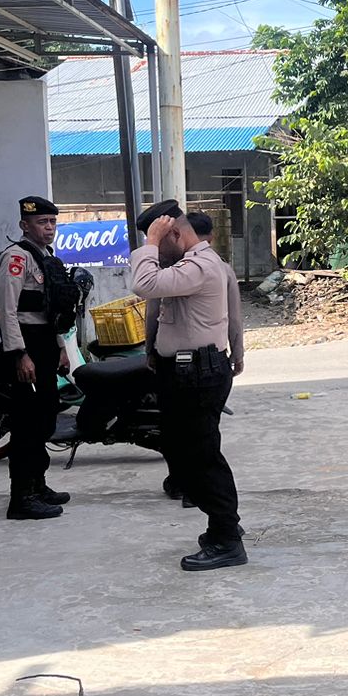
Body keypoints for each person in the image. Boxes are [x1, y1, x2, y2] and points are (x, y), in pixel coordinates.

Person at [131, 203, 244, 571]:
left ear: (176, 235)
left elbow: (143, 285)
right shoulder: (186, 265)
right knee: (187, 454)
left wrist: (150, 242)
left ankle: (227, 539)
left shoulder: (200, 266)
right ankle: (222, 528)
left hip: (198, 373)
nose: (157, 255)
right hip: (183, 372)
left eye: (161, 246)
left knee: (203, 456)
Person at [0, 196, 76, 520]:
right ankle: (21, 498)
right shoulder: (16, 258)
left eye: (53, 222)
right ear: (24, 225)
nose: (50, 228)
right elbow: (8, 313)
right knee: (27, 424)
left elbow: (52, 311)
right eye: (43, 222)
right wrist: (19, 355)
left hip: (43, 344)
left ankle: (38, 484)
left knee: (44, 418)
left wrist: (60, 348)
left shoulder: (45, 257)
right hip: (25, 346)